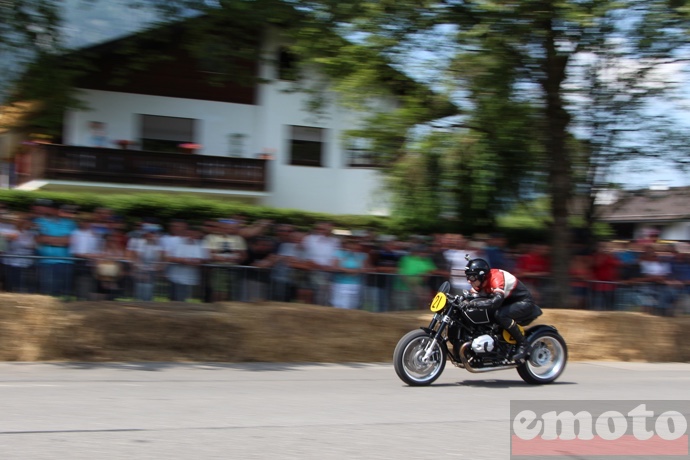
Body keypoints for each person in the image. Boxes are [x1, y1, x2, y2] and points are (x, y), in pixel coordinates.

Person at [462, 258, 542, 362]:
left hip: (523, 302)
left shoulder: (496, 278)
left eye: (472, 277)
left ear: (482, 276)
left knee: (501, 315)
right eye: (468, 276)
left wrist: (473, 304)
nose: (469, 280)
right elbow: (472, 296)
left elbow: (495, 302)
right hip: (507, 303)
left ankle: (523, 344)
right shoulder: (479, 283)